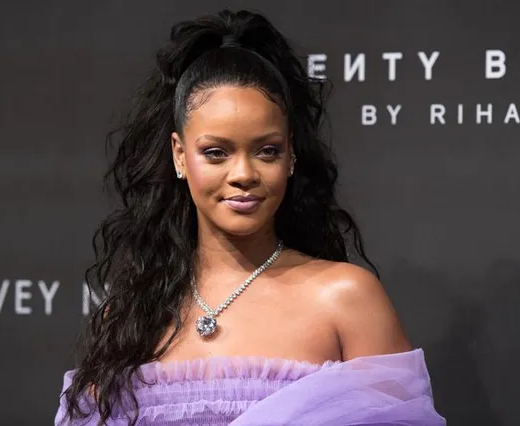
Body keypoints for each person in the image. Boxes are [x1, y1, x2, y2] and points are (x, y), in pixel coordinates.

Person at [55, 8, 446, 426]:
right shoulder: (130, 318)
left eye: (267, 151)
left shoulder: (346, 299)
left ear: (291, 155)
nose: (243, 174)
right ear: (179, 155)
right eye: (216, 153)